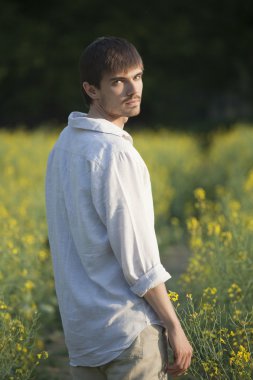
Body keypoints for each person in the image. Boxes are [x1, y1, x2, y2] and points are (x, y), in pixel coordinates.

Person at [45, 36, 193, 380]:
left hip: (83, 338)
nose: (133, 89)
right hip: (129, 335)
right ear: (91, 90)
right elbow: (138, 258)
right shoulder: (115, 153)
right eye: (117, 81)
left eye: (137, 77)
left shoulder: (64, 145)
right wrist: (174, 326)